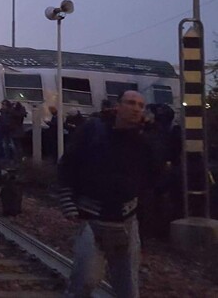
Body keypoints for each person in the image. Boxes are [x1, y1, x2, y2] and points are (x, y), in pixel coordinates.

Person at [58, 90, 156, 298]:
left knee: (127, 287)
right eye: (131, 103)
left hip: (127, 220)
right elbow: (67, 166)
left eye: (140, 105)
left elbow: (153, 177)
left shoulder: (144, 142)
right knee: (84, 281)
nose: (136, 109)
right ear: (118, 106)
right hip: (91, 217)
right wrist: (68, 202)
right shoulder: (93, 131)